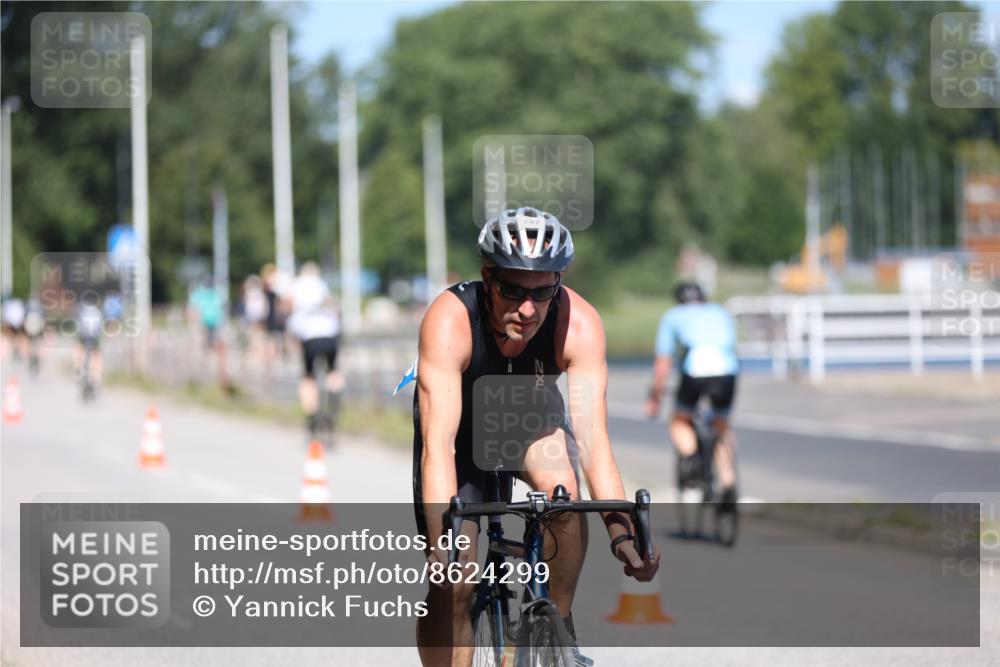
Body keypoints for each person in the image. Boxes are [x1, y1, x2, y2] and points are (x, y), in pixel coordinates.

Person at [412, 207, 660, 667]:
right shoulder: (450, 320)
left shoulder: (579, 324)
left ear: (559, 284)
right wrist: (440, 545)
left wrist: (621, 534)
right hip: (459, 428)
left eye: (544, 291)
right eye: (512, 290)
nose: (527, 309)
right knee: (457, 581)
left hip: (527, 416)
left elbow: (593, 443)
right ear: (488, 279)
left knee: (562, 495)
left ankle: (553, 632)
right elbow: (439, 447)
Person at [645, 281, 741, 507]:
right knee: (721, 426)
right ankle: (728, 483)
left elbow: (663, 365)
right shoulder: (720, 312)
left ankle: (692, 459)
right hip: (727, 371)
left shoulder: (673, 316)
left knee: (679, 420)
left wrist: (655, 397)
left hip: (695, 370)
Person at [287, 262, 343, 439]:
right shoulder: (321, 284)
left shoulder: (297, 285)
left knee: (307, 377)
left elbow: (288, 309)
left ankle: (312, 416)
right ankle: (333, 406)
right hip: (329, 330)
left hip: (308, 334)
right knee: (333, 371)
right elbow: (331, 304)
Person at [74, 297, 104, 396]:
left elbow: (78, 326)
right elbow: (100, 328)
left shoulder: (82, 312)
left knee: (79, 349)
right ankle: (97, 377)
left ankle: (78, 369)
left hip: (83, 336)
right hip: (94, 337)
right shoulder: (98, 312)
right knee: (97, 356)